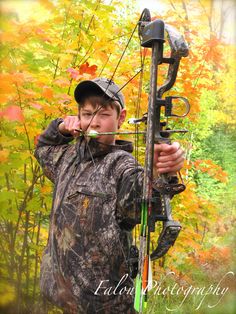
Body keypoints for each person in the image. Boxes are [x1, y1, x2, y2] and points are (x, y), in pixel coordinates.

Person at [35, 77, 184, 314]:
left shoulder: (121, 167)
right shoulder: (68, 156)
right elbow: (44, 149)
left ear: (121, 117)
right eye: (86, 114)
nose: (93, 122)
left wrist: (160, 170)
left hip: (106, 305)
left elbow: (141, 193)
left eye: (102, 114)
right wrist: (61, 127)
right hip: (64, 298)